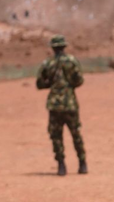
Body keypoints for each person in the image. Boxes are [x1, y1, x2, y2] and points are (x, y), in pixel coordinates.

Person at [36, 35, 87, 176]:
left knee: (56, 136)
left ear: (53, 48)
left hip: (54, 105)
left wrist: (52, 84)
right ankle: (82, 163)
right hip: (70, 103)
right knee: (76, 133)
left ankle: (61, 165)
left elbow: (40, 83)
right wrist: (68, 85)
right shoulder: (72, 61)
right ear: (64, 47)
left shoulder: (48, 63)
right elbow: (79, 80)